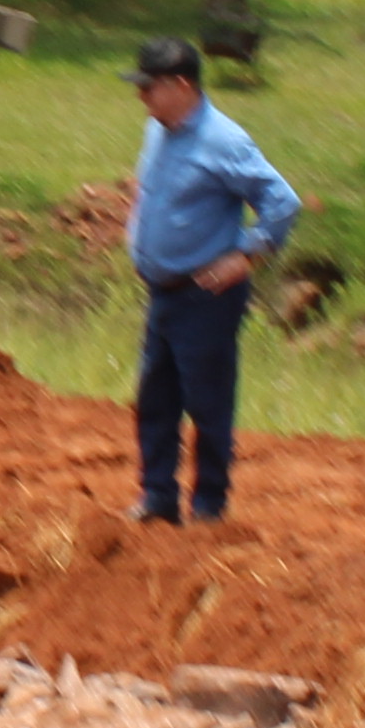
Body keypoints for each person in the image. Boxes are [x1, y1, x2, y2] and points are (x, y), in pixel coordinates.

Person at [122, 36, 298, 526]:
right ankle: (158, 497)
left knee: (207, 402)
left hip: (206, 297)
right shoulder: (158, 131)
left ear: (181, 85)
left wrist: (246, 256)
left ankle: (208, 508)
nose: (142, 97)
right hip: (163, 293)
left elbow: (281, 203)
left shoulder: (223, 140)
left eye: (149, 87)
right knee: (155, 399)